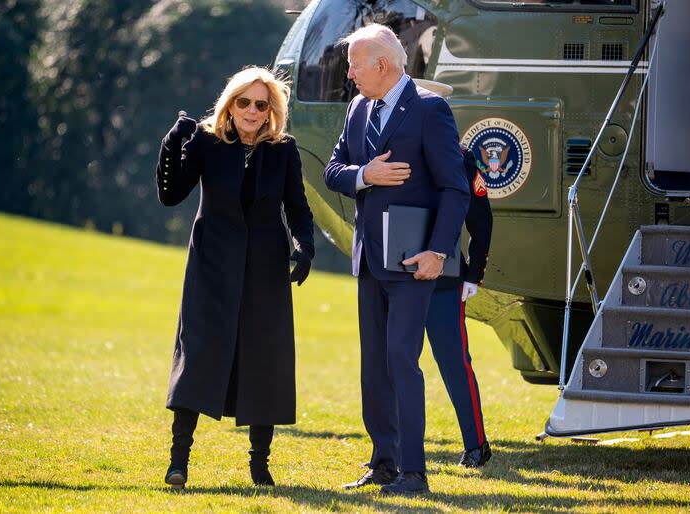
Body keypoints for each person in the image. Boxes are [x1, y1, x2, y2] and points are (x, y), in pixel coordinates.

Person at [324, 24, 470, 495]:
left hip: (414, 261)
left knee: (400, 360)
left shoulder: (431, 109)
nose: (348, 73)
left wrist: (439, 252)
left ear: (381, 66)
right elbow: (333, 171)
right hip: (369, 261)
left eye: (353, 64)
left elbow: (455, 188)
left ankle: (414, 472)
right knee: (375, 366)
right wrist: (366, 174)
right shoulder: (356, 108)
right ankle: (383, 464)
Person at [155, 66, 315, 489]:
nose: (251, 110)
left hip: (265, 268)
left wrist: (304, 246)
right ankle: (178, 463)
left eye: (261, 104)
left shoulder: (284, 149)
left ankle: (260, 466)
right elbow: (171, 194)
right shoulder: (208, 142)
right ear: (230, 103)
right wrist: (172, 145)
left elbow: (297, 208)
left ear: (270, 111)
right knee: (198, 355)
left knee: (265, 361)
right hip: (211, 266)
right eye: (243, 101)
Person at [426, 144, 493, 468]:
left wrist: (474, 273)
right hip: (396, 273)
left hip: (446, 278)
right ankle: (390, 451)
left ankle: (476, 444)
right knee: (393, 362)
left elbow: (480, 216)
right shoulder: (387, 144)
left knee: (454, 364)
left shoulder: (456, 154)